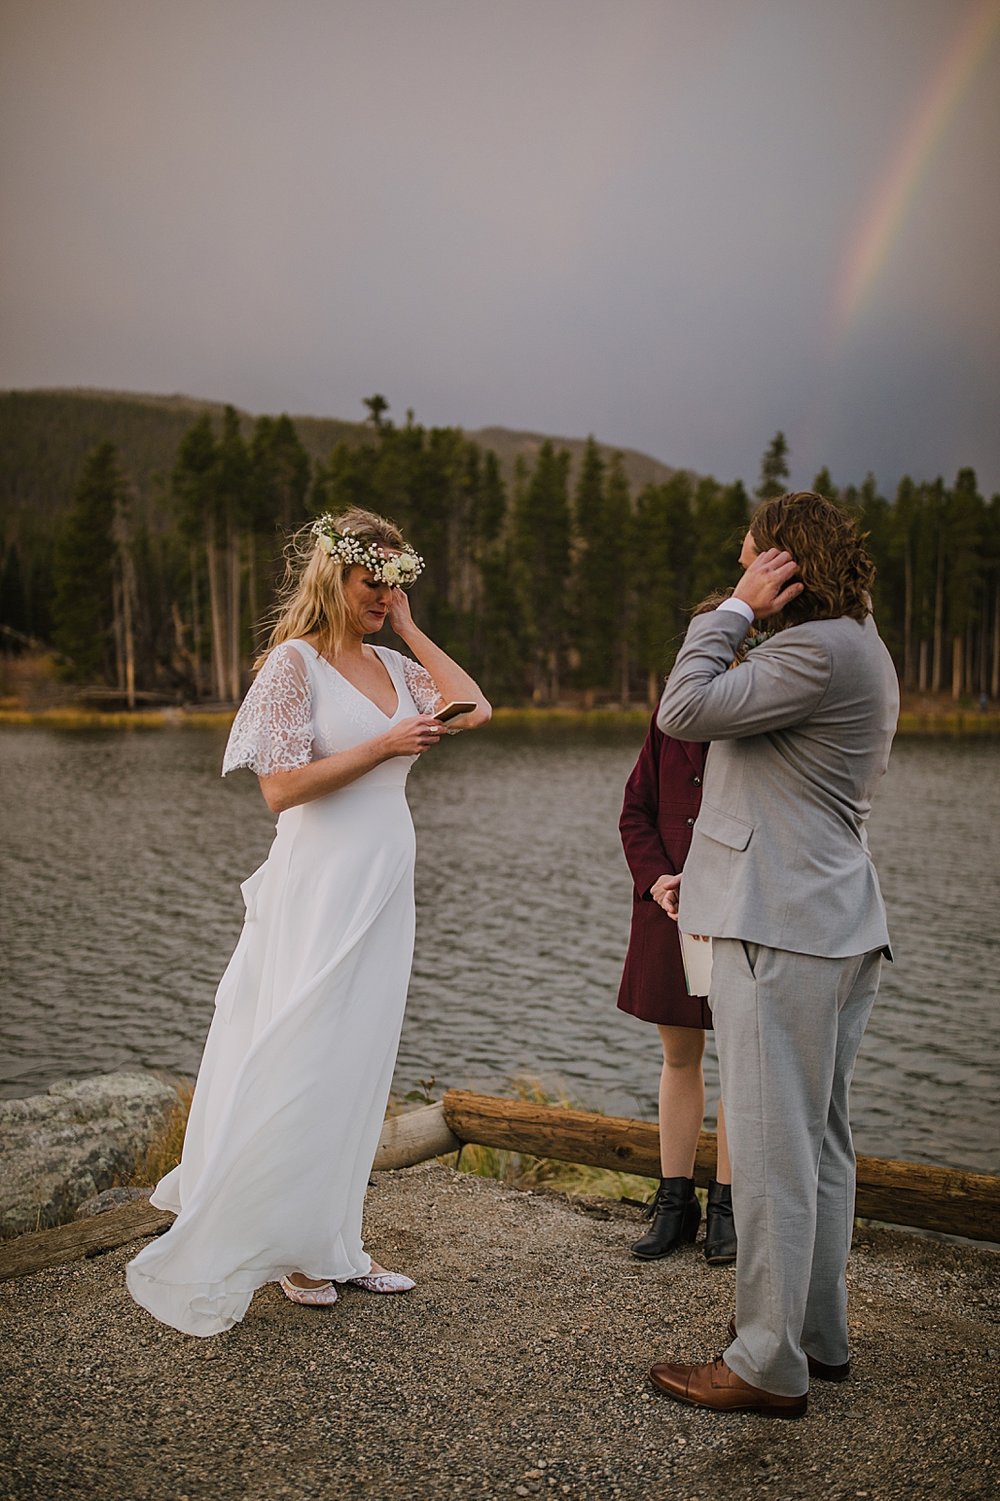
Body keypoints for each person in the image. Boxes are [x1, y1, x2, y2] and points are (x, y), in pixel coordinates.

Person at [127, 507, 490, 1336]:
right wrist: (387, 745)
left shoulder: (398, 665)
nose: (385, 597)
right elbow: (281, 788)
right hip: (319, 881)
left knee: (358, 1055)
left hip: (383, 879)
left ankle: (334, 1239)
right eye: (375, 582)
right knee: (303, 1049)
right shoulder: (293, 664)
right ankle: (287, 1250)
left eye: (398, 584)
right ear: (336, 572)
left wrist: (408, 625)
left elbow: (477, 705)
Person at [648, 491, 898, 1418]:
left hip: (782, 928)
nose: (738, 569)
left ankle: (764, 1361)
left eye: (752, 557)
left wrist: (734, 611)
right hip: (829, 922)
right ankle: (817, 1339)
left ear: (784, 565)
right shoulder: (856, 644)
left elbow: (683, 708)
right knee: (820, 1141)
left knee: (765, 1149)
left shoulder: (812, 649)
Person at [617, 713, 736, 1264]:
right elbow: (635, 812)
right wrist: (658, 880)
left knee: (741, 1063)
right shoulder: (671, 721)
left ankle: (728, 1210)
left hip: (743, 910)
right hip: (670, 910)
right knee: (679, 1057)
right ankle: (675, 1203)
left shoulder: (767, 714)